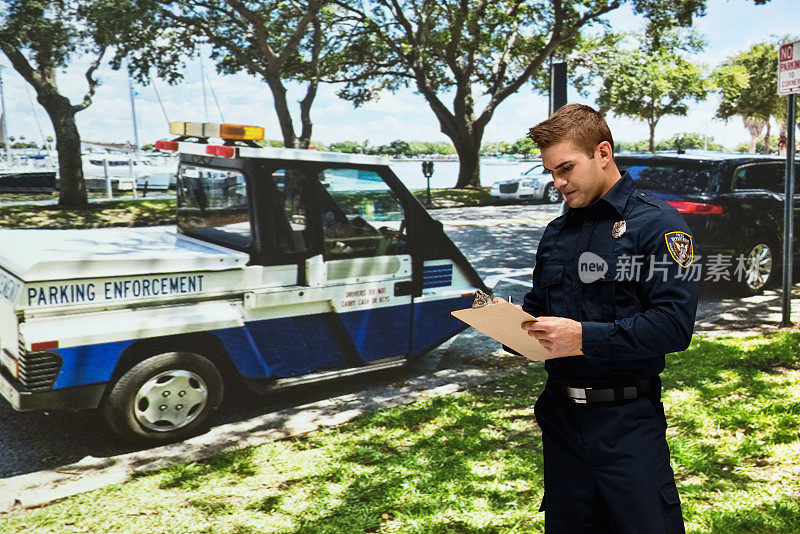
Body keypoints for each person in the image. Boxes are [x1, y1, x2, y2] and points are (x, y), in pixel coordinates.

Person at [495, 104, 698, 533]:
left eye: (566, 168)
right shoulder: (556, 233)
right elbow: (538, 308)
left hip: (627, 424)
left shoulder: (657, 223)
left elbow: (674, 324)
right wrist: (507, 326)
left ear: (603, 152)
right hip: (562, 423)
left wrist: (583, 337)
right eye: (551, 171)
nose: (558, 182)